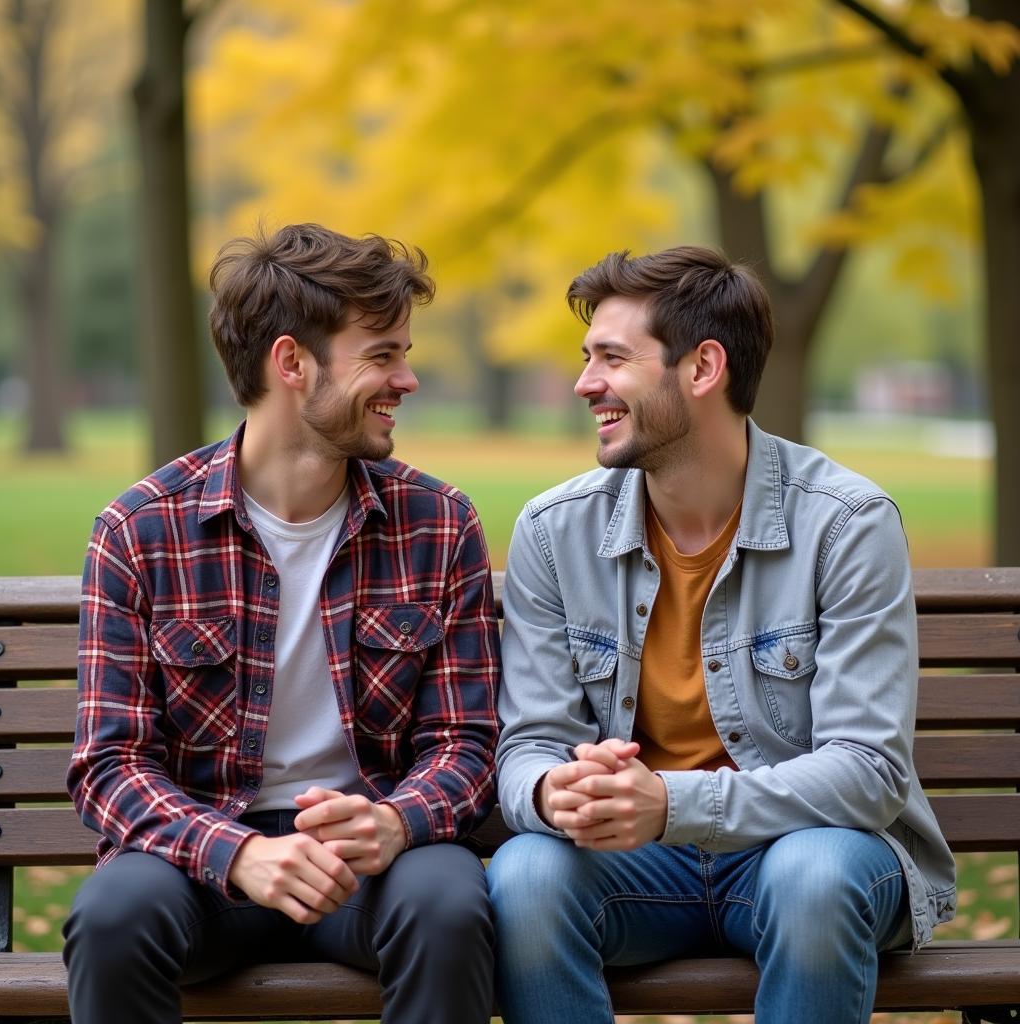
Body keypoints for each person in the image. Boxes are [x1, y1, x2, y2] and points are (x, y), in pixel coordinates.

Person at [488, 245, 956, 1024]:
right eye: (585, 358)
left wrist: (670, 802)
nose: (584, 384)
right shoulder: (553, 530)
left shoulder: (845, 523)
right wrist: (550, 789)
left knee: (813, 878)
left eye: (611, 358)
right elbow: (527, 744)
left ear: (703, 368)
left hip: (806, 854)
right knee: (526, 877)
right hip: (638, 870)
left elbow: (868, 771)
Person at [63, 223, 500, 1024]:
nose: (406, 378)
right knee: (111, 917)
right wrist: (239, 855)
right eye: (381, 354)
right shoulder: (140, 530)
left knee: (447, 905)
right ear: (292, 362)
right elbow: (111, 765)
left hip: (372, 857)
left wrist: (398, 821)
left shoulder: (437, 523)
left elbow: (465, 742)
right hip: (198, 861)